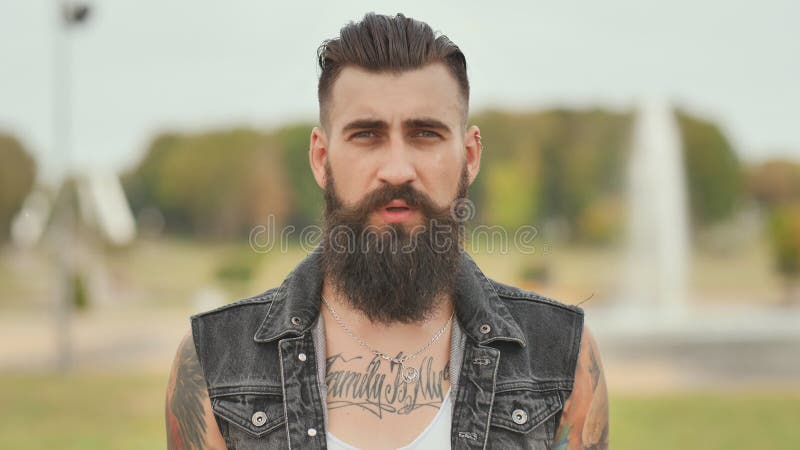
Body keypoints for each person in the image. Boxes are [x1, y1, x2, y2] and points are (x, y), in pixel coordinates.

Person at [165, 12, 608, 450]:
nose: (397, 170)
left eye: (425, 134)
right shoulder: (213, 361)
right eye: (366, 135)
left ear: (470, 156)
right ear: (321, 159)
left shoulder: (561, 354)